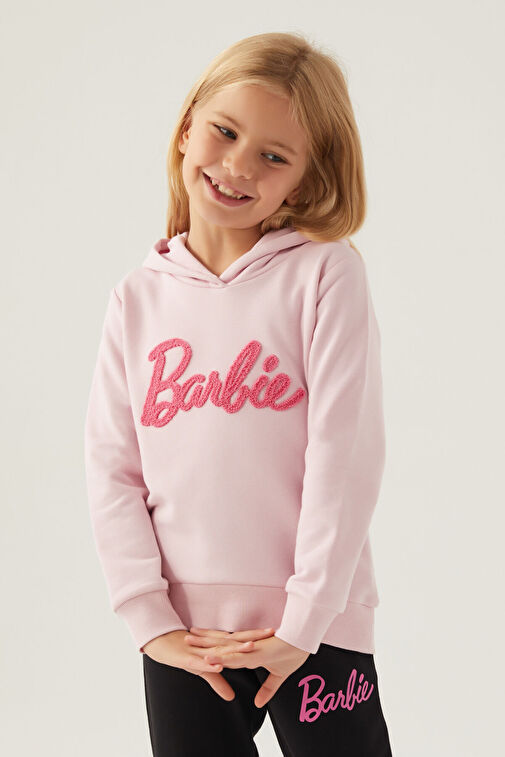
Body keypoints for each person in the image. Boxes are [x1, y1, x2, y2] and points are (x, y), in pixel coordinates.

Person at [84, 30, 393, 757]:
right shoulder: (136, 298)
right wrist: (148, 619)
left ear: (304, 182)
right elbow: (113, 469)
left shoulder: (325, 275)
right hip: (186, 638)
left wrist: (305, 618)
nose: (236, 166)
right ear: (186, 128)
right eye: (224, 132)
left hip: (318, 628)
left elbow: (343, 458)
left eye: (273, 156)